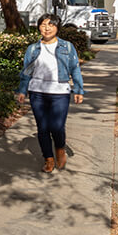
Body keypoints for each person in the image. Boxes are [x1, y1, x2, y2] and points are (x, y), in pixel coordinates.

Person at [15, 14, 85, 173]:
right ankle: (48, 158)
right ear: (39, 27)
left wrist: (78, 89)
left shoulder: (67, 47)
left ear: (57, 27)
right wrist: (22, 90)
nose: (47, 28)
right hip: (37, 92)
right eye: (43, 24)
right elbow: (26, 71)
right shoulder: (33, 49)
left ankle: (60, 149)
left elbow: (75, 68)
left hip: (60, 92)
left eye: (51, 25)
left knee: (57, 126)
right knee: (43, 128)